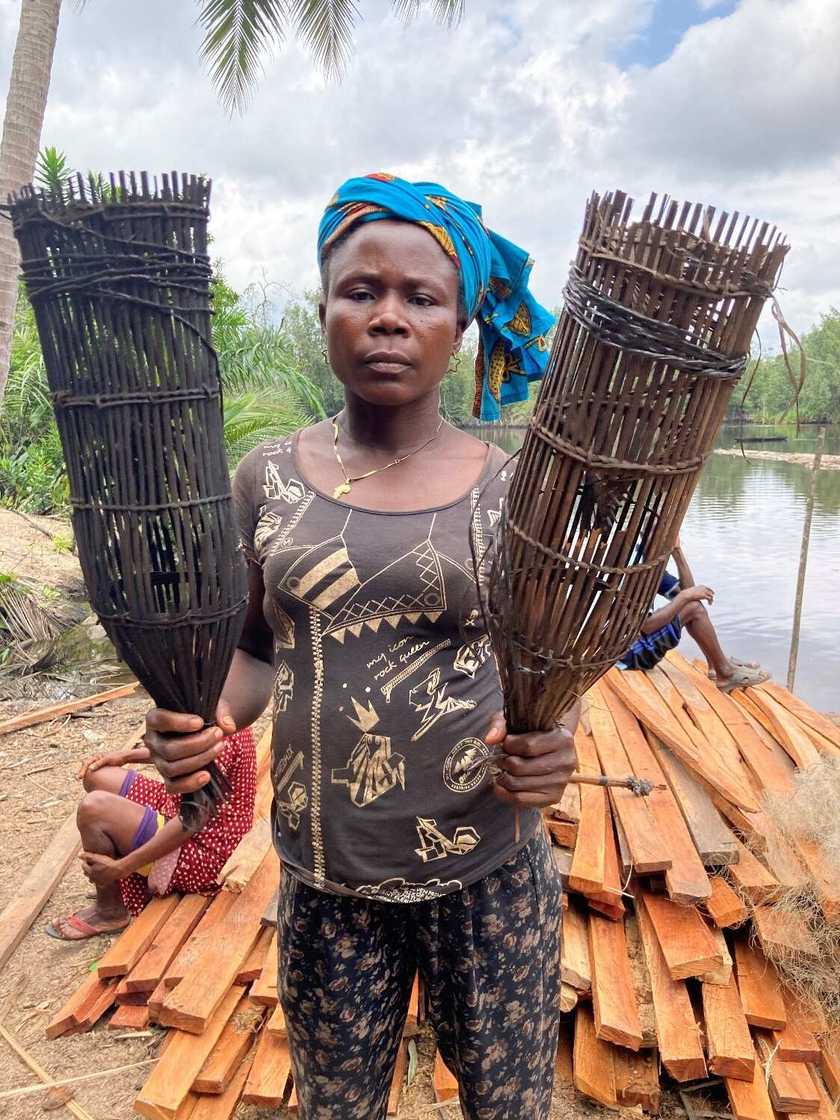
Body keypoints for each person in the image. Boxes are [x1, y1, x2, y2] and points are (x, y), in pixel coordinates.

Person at [141, 173, 578, 1120]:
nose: (388, 317)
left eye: (421, 297)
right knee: (339, 1106)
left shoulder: (511, 490)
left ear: (459, 325)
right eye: (361, 291)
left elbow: (548, 667)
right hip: (325, 876)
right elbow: (253, 648)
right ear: (325, 307)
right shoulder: (266, 477)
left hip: (486, 870)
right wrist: (212, 715)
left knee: (507, 1105)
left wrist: (550, 742)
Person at [46, 726, 256, 939]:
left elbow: (190, 820)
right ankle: (121, 884)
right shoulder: (217, 710)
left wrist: (122, 867)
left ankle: (110, 911)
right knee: (96, 775)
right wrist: (126, 756)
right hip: (180, 808)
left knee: (93, 809)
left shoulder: (221, 739)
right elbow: (183, 753)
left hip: (205, 849)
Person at [617, 536, 769, 690]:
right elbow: (647, 626)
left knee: (692, 604)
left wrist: (677, 552)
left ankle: (716, 666)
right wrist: (685, 596)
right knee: (694, 609)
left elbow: (690, 591)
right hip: (628, 655)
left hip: (634, 648)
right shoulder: (634, 568)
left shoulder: (651, 564)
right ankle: (724, 671)